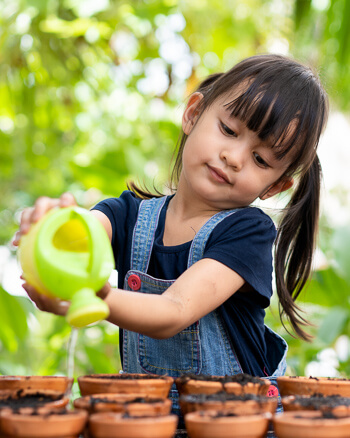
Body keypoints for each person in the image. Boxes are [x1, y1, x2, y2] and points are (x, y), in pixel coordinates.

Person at [14, 54, 328, 419]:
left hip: (236, 423)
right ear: (193, 113)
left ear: (275, 185)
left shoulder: (247, 233)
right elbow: (84, 230)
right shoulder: (127, 215)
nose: (234, 157)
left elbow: (173, 311)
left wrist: (92, 296)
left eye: (261, 160)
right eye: (229, 130)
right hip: (154, 418)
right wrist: (51, 223)